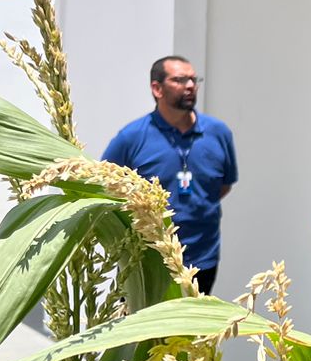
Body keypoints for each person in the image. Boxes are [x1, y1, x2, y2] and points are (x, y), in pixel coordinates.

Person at [102, 55, 238, 295]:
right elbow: (105, 184)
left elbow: (223, 186)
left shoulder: (219, 133)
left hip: (202, 258)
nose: (190, 86)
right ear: (157, 88)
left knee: (196, 331)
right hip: (147, 260)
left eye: (194, 80)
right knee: (144, 332)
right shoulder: (132, 137)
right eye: (180, 80)